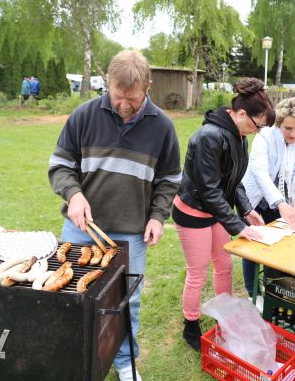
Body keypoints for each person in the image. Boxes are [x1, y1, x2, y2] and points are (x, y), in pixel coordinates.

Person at [48, 49, 181, 381]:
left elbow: (169, 179)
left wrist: (157, 216)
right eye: (118, 96)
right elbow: (60, 166)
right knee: (72, 295)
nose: (124, 105)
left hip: (131, 233)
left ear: (148, 87)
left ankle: (124, 362)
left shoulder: (163, 127)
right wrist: (74, 194)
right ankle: (74, 356)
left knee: (126, 302)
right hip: (81, 228)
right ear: (108, 83)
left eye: (132, 99)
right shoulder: (83, 115)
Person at [173, 77, 275, 351]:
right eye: (258, 125)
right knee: (198, 272)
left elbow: (234, 180)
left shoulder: (239, 135)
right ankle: (190, 325)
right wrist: (238, 227)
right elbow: (208, 189)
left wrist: (247, 209)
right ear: (242, 114)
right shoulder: (210, 137)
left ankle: (225, 316)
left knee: (225, 265)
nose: (258, 131)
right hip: (193, 212)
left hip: (215, 212)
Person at [240, 97, 295, 300]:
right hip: (254, 197)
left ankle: (272, 286)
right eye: (288, 128)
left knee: (278, 241)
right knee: (253, 242)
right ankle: (252, 292)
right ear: (279, 124)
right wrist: (280, 203)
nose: (293, 134)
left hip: (280, 195)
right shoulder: (264, 137)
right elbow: (260, 173)